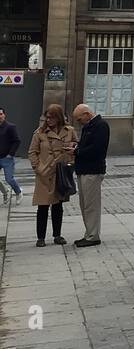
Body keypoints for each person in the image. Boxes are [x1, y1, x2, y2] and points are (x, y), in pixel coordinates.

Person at [29, 104, 76, 246]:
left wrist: (71, 160)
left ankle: (57, 235)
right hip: (44, 174)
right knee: (42, 206)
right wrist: (38, 167)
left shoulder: (69, 131)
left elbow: (76, 147)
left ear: (59, 117)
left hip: (60, 173)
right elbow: (32, 152)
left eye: (51, 117)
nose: (48, 120)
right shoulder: (40, 132)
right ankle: (41, 238)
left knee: (58, 206)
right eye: (47, 117)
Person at [72, 104, 110, 247]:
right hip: (83, 169)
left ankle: (93, 236)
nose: (78, 122)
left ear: (87, 114)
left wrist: (77, 152)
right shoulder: (88, 127)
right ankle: (89, 233)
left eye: (79, 119)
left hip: (93, 171)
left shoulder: (100, 126)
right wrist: (76, 147)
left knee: (91, 205)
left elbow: (97, 149)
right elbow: (86, 145)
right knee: (85, 204)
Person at [0, 107, 23, 202]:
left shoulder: (10, 127)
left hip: (7, 158)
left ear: (4, 115)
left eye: (1, 114)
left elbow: (17, 141)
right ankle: (5, 191)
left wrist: (10, 154)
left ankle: (18, 192)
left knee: (9, 179)